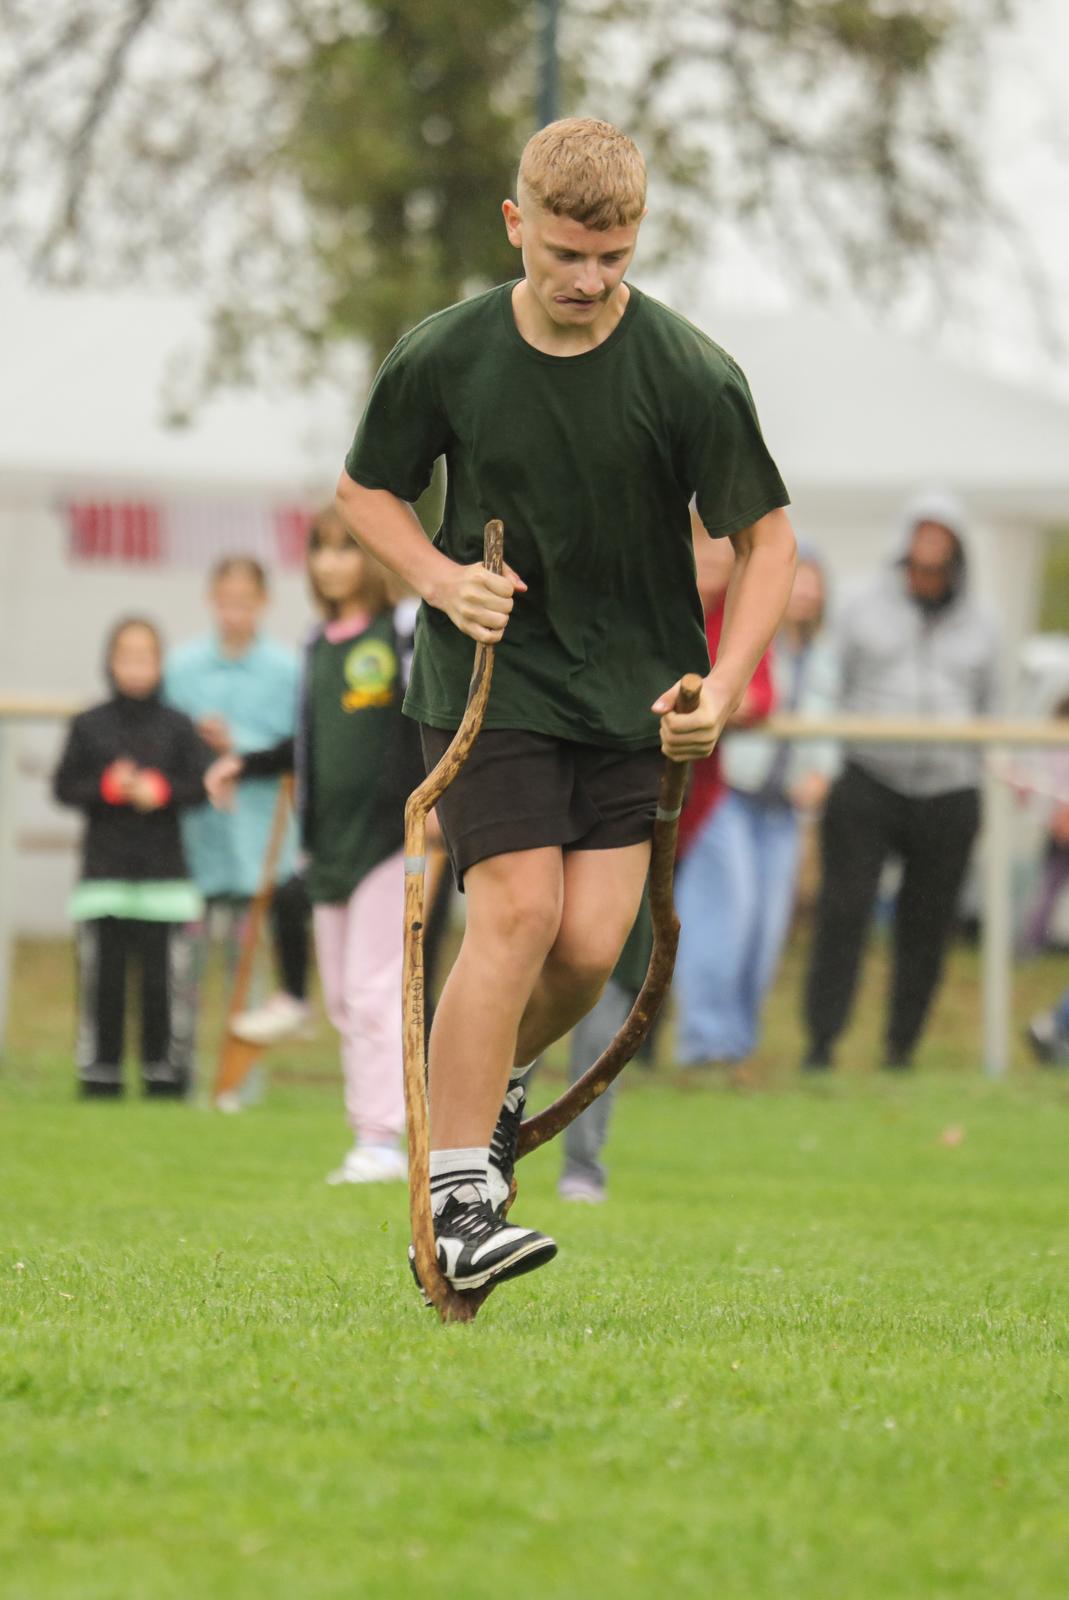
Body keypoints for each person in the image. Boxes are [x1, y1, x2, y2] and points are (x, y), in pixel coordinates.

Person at [334, 116, 797, 1296]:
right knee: (519, 912)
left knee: (591, 949)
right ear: (515, 225)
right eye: (564, 253)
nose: (589, 279)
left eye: (613, 256)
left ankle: (481, 1098)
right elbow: (365, 491)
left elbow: (768, 543)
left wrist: (721, 685)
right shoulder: (445, 354)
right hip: (490, 683)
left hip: (634, 693)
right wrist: (438, 580)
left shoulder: (690, 373)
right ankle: (456, 1200)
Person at [206, 509, 424, 1183]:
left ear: (375, 557)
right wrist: (245, 763)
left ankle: (380, 1139)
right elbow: (309, 741)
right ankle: (375, 1134)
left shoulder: (404, 630)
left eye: (346, 549)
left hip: (389, 842)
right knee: (344, 1004)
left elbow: (432, 722)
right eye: (320, 550)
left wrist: (435, 814)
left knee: (373, 991)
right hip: (326, 846)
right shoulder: (314, 644)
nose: (330, 563)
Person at [802, 491, 999, 1072]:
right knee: (843, 913)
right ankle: (822, 1042)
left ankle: (901, 1048)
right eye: (922, 530)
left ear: (958, 546)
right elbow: (828, 685)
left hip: (950, 788)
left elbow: (992, 705)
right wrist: (823, 764)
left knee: (929, 925)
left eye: (943, 533)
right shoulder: (860, 604)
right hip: (868, 778)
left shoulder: (984, 622)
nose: (931, 543)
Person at [677, 547, 838, 1066]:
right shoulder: (748, 633)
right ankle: (704, 1041)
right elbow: (747, 698)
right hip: (729, 795)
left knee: (765, 931)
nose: (805, 592)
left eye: (814, 583)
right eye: (798, 580)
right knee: (725, 916)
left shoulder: (823, 656)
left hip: (783, 807)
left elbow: (814, 722)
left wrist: (820, 774)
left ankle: (737, 1043)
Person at [53, 618, 208, 1097]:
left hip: (165, 880)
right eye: (127, 656)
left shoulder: (178, 725)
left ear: (160, 664)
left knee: (163, 984)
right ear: (110, 661)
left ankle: (165, 1075)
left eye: (146, 656)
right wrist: (107, 787)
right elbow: (64, 787)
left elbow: (200, 785)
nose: (136, 666)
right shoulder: (89, 724)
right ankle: (101, 1073)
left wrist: (161, 790)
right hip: (104, 878)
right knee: (104, 983)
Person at [165, 556, 310, 1050]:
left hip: (262, 844)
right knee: (185, 968)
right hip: (196, 842)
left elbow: (298, 747)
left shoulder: (288, 670)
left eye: (245, 602)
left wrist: (239, 746)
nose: (234, 613)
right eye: (226, 601)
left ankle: (238, 1081)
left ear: (264, 601)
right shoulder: (181, 667)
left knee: (249, 972)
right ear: (211, 599)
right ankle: (178, 1070)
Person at [674, 520, 776, 1067]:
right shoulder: (658, 608)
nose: (714, 560)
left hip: (707, 793)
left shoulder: (740, 614)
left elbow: (760, 695)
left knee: (731, 913)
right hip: (639, 788)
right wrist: (721, 699)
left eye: (722, 550)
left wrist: (713, 701)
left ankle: (709, 1042)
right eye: (702, 548)